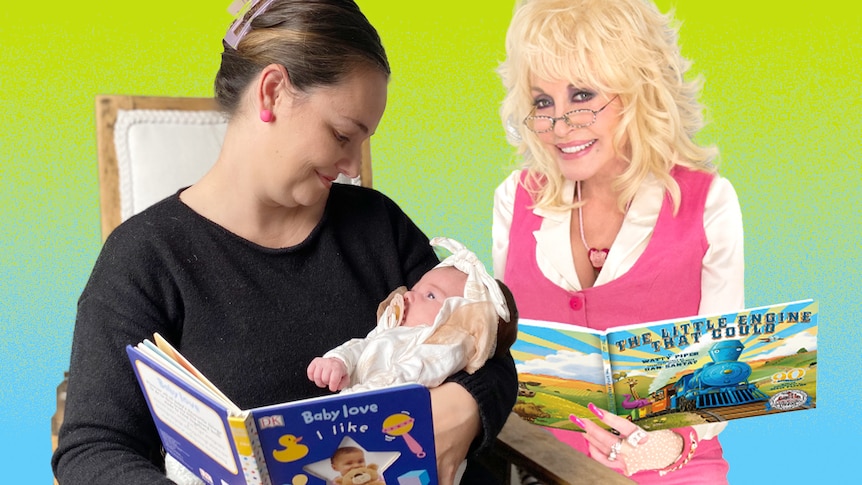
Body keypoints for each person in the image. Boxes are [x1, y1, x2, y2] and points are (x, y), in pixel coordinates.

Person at [51, 1, 517, 484]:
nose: (354, 166)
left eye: (362, 141)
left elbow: (490, 345)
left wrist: (466, 408)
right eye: (341, 135)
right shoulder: (145, 259)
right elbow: (92, 452)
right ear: (271, 93)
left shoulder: (378, 226)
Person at [492, 0, 744, 483]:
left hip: (674, 468)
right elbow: (508, 356)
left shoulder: (708, 202)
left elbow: (725, 370)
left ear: (638, 91)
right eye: (543, 102)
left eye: (582, 95)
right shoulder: (515, 199)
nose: (559, 125)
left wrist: (667, 446)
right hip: (540, 466)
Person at [308, 237, 516, 394]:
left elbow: (411, 373)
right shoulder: (393, 329)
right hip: (359, 405)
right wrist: (338, 360)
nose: (408, 295)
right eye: (415, 288)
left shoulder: (443, 346)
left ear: (460, 319)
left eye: (430, 295)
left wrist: (364, 394)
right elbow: (362, 345)